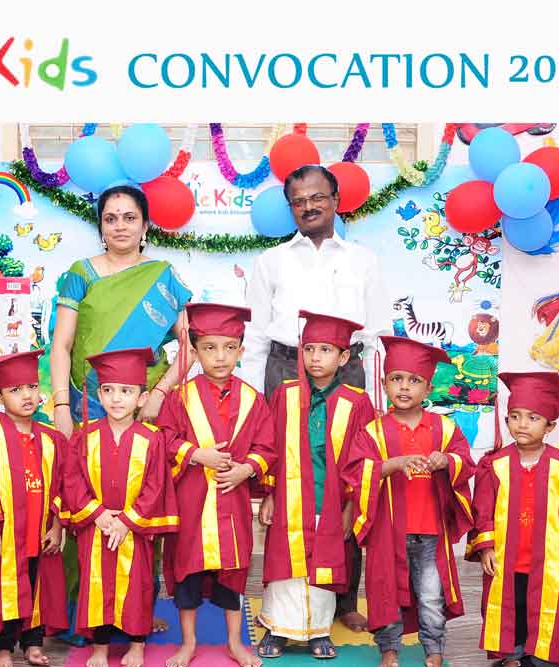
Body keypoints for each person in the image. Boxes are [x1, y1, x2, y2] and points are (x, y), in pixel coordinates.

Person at [246, 165, 387, 631]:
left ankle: (343, 598)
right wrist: (257, 397)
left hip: (347, 369)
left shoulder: (363, 260)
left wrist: (372, 390)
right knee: (289, 481)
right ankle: (283, 597)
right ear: (291, 207)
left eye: (317, 197)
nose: (309, 206)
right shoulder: (271, 261)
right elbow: (256, 334)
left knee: (346, 481)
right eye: (299, 201)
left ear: (336, 200)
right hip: (286, 367)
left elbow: (376, 331)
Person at [49, 184, 191, 639]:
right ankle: (79, 613)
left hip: (142, 410)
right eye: (111, 218)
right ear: (100, 226)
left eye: (130, 217)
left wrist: (159, 393)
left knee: (141, 504)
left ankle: (136, 611)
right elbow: (62, 345)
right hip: (87, 405)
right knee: (84, 504)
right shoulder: (80, 274)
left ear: (145, 225)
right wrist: (60, 404)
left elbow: (188, 347)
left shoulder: (162, 277)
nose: (120, 226)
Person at [155, 303, 276, 667]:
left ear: (241, 351)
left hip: (231, 503)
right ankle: (189, 643)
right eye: (209, 348)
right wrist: (195, 454)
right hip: (191, 503)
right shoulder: (180, 397)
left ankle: (235, 642)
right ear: (194, 352)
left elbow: (267, 447)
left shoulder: (254, 401)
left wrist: (246, 470)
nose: (220, 357)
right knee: (188, 575)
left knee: (232, 577)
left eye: (229, 348)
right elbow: (163, 440)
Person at [346, 337, 475, 667]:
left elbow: (464, 461)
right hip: (388, 531)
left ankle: (434, 648)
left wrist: (446, 460)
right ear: (384, 383)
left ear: (428, 388)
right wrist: (393, 464)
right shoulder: (374, 431)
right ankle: (389, 648)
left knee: (431, 595)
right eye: (396, 379)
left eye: (414, 380)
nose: (404, 387)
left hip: (430, 530)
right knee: (386, 591)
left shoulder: (444, 428)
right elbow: (356, 471)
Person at [255, 311, 376, 660]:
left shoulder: (356, 402)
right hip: (290, 497)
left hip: (331, 499)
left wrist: (351, 507)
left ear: (344, 357)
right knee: (285, 563)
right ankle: (277, 628)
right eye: (309, 349)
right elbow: (271, 447)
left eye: (325, 350)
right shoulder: (285, 394)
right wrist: (268, 494)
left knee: (325, 563)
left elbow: (363, 461)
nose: (315, 357)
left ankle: (318, 630)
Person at [467, 371, 559, 667]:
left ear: (550, 425)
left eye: (533, 417)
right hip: (507, 559)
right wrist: (486, 547)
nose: (522, 424)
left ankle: (543, 654)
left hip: (550, 560)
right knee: (512, 608)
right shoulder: (494, 464)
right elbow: (482, 509)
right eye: (514, 417)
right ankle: (513, 654)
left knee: (548, 607)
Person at [62, 348, 179, 667]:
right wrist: (98, 514)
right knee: (96, 585)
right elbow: (72, 480)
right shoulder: (85, 437)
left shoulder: (151, 438)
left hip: (134, 529)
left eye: (126, 391)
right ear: (99, 394)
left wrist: (127, 521)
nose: (116, 398)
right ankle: (99, 648)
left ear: (141, 398)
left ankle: (137, 645)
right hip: (96, 527)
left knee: (138, 585)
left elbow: (155, 485)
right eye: (109, 390)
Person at [0, 350, 68, 667]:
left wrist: (57, 526)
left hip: (39, 531)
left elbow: (62, 484)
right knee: (3, 589)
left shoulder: (51, 439)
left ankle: (33, 643)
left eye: (32, 387)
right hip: (5, 533)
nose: (27, 396)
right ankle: (3, 648)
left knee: (37, 585)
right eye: (15, 390)